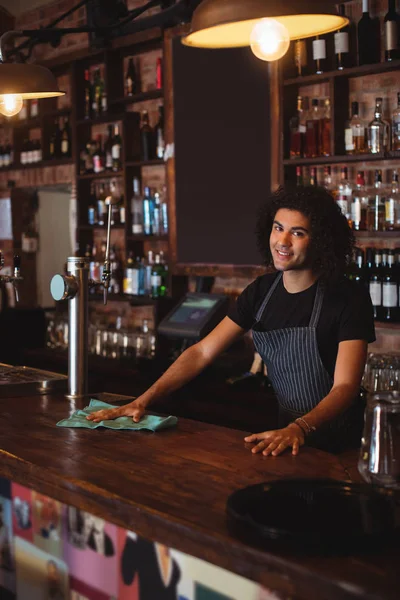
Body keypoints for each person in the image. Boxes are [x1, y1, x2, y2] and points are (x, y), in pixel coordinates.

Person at [88, 186, 375, 455]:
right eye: (278, 228)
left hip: (342, 445)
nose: (282, 241)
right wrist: (143, 399)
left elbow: (345, 387)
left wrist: (299, 427)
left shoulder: (347, 298)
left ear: (322, 240)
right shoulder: (262, 292)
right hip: (283, 439)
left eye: (297, 233)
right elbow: (201, 352)